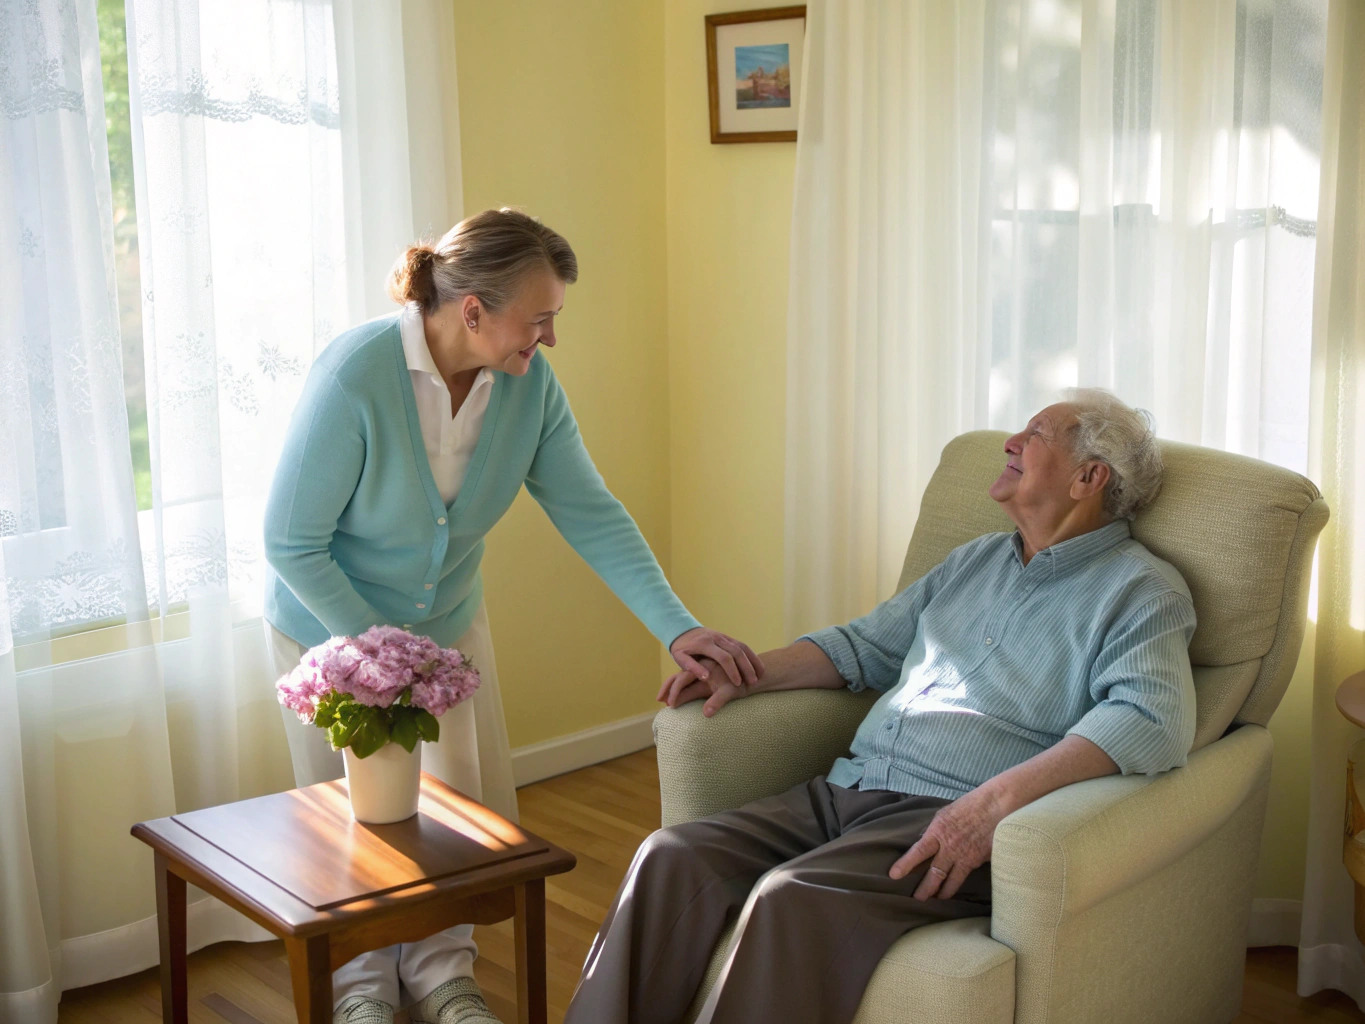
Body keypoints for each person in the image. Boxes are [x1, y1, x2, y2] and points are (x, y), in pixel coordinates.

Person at [262, 208, 764, 1024]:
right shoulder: (356, 375)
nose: (550, 339)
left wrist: (676, 627)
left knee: (449, 812)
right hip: (331, 629)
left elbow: (589, 511)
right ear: (472, 311)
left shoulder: (528, 387)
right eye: (539, 320)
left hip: (444, 629)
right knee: (351, 822)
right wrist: (381, 655)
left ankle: (442, 976)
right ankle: (357, 988)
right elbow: (291, 541)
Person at [564, 389, 1197, 1024]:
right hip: (849, 790)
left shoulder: (1139, 591)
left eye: (1035, 434)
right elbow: (866, 646)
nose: (1011, 442)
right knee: (670, 856)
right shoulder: (975, 560)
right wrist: (744, 672)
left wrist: (993, 804)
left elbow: (1150, 720)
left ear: (1089, 477)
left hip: (946, 817)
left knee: (791, 898)